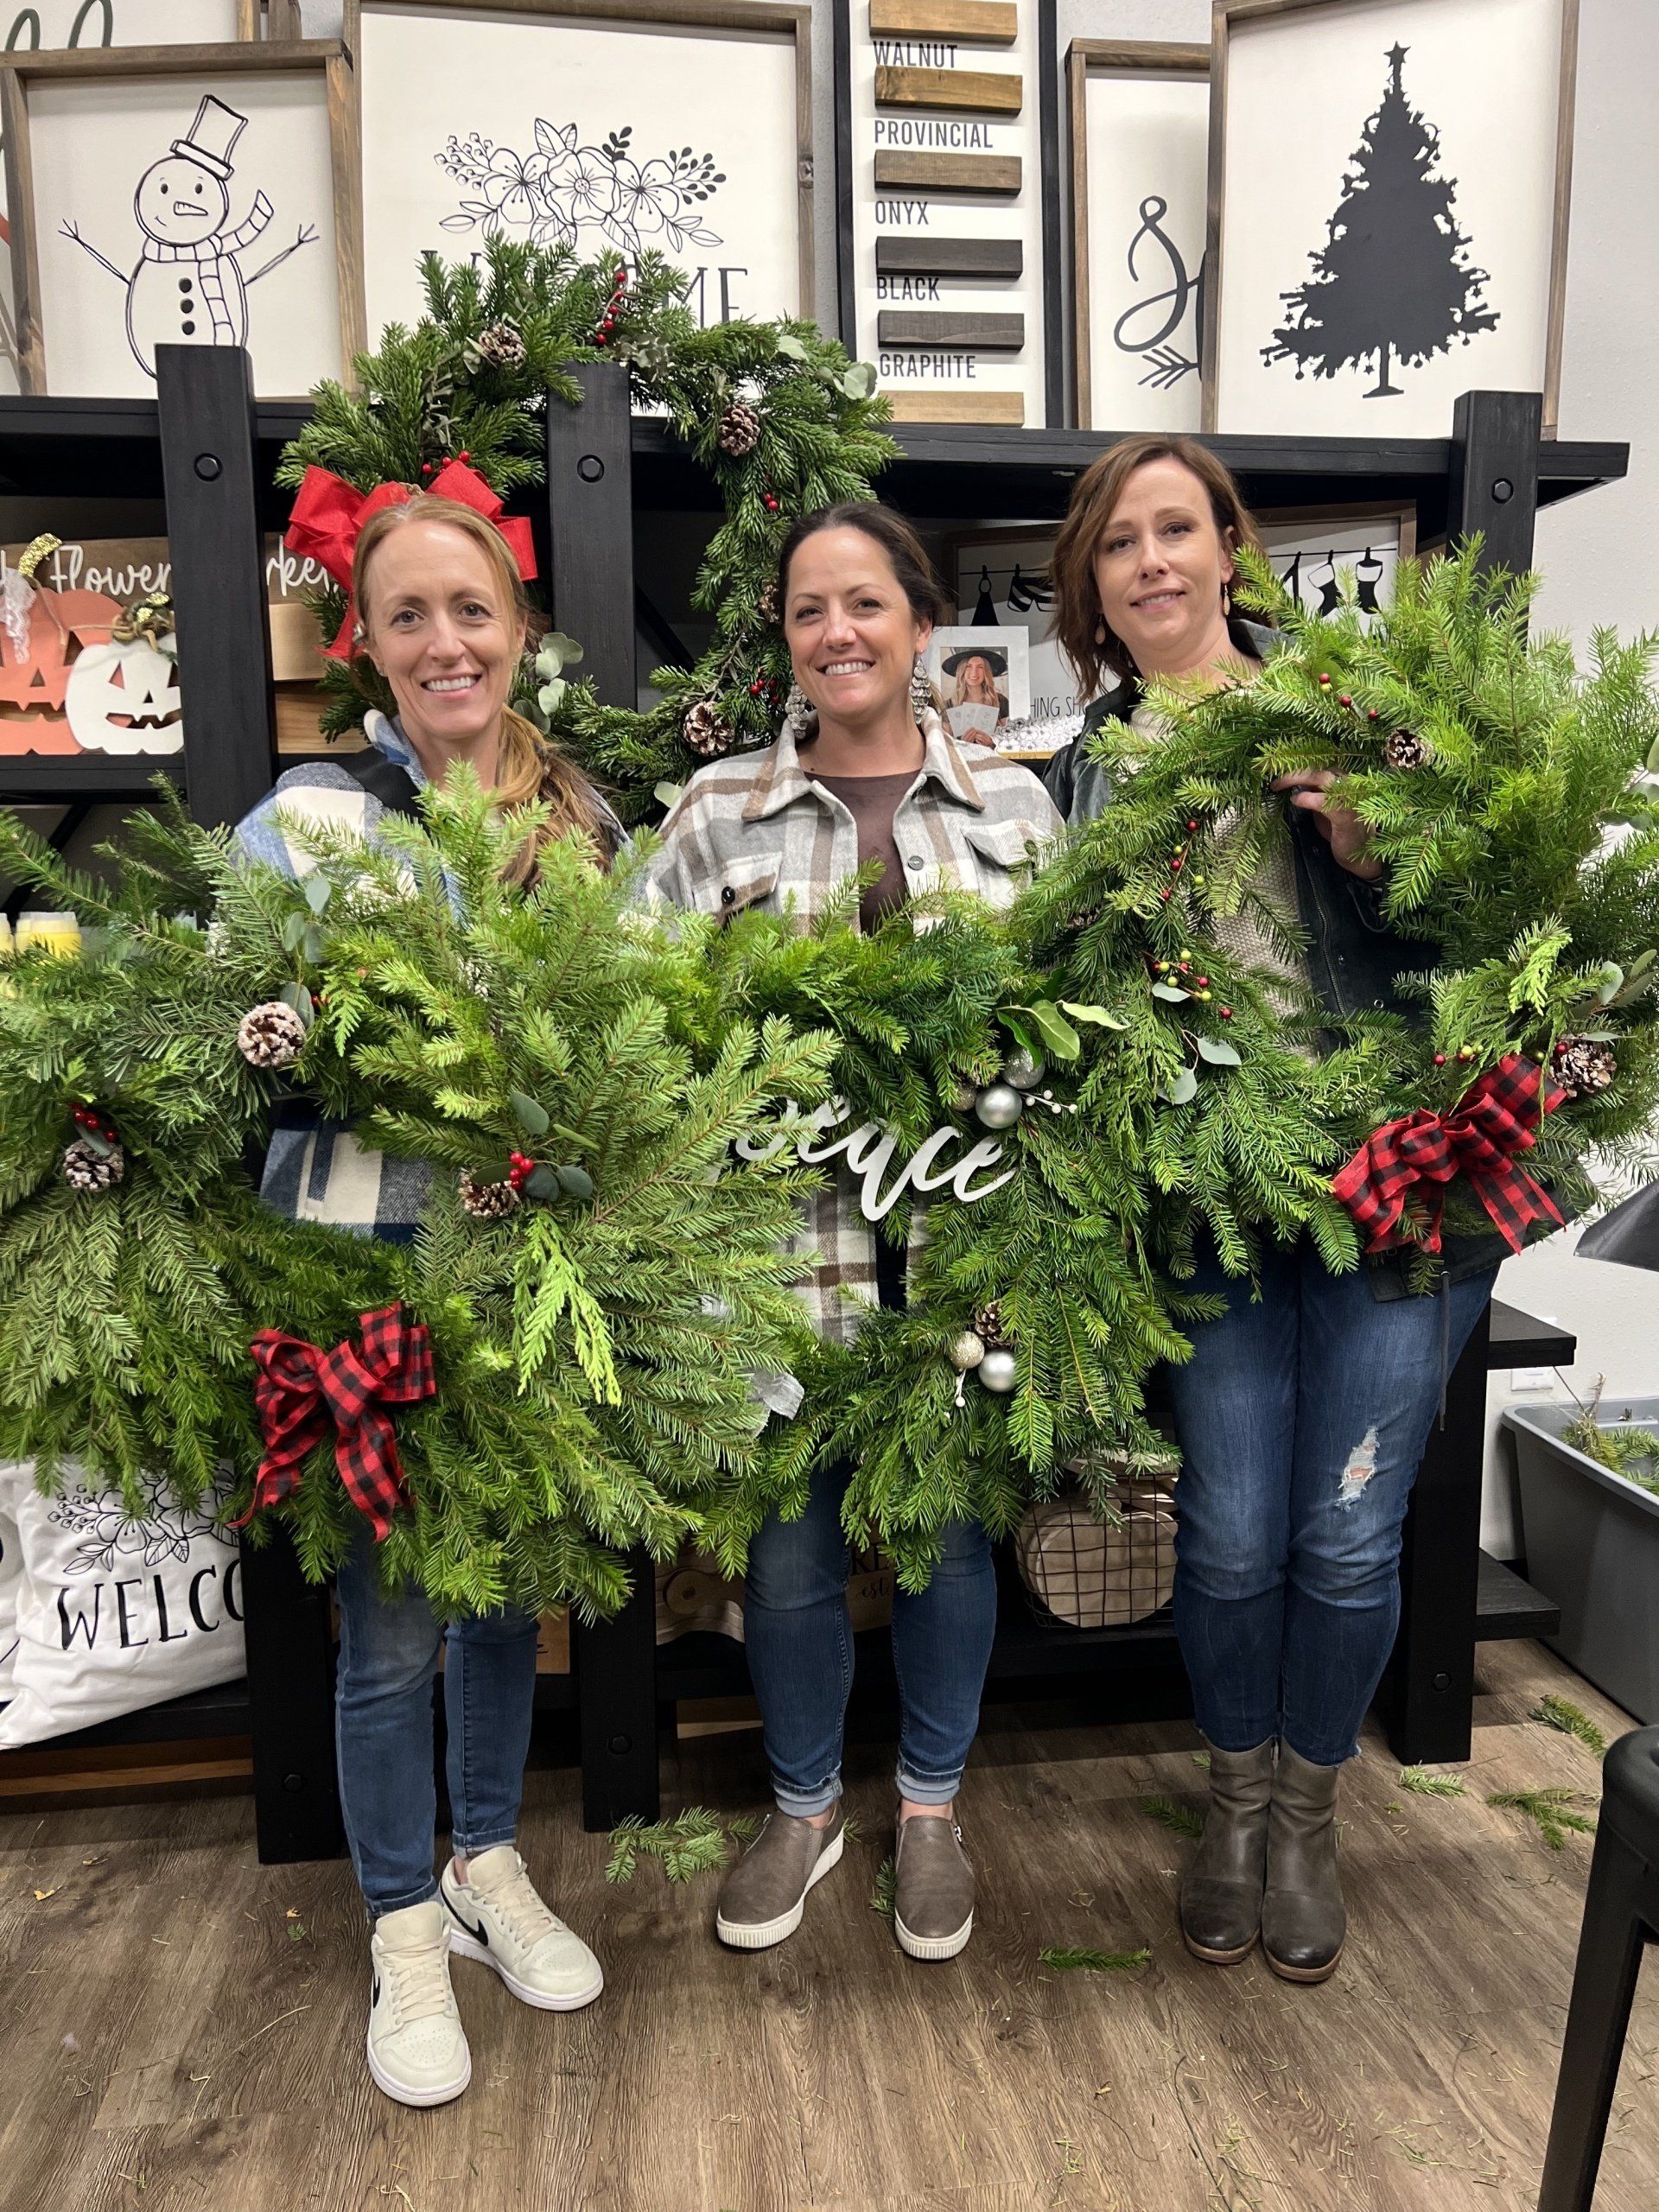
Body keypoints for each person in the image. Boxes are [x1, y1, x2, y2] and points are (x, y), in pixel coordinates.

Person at [1044, 435, 1505, 1984]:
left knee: (1349, 1540)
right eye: (1121, 543)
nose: (1155, 561)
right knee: (1234, 1540)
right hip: (1209, 1208)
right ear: (1093, 587)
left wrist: (1385, 852)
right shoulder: (1081, 771)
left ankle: (1310, 1820)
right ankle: (1233, 1807)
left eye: (1180, 528)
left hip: (1393, 1187)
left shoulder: (1352, 721)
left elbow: (1495, 919)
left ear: (1231, 548)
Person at [236, 488, 618, 2107]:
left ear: (517, 631)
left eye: (473, 610)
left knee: (496, 1600)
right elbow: (234, 1049)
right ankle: (400, 1921)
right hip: (361, 1281)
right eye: (411, 617)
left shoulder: (585, 829)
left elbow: (618, 1066)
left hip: (517, 1279)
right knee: (388, 1629)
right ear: (366, 648)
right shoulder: (305, 828)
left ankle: (482, 1858)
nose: (446, 641)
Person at [640, 502, 1062, 1961]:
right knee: (791, 1555)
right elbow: (643, 1034)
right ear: (786, 637)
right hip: (781, 1256)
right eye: (811, 609)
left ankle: (932, 1811)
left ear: (921, 622)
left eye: (867, 604)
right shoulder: (713, 815)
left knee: (951, 1539)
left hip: (966, 1259)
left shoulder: (1013, 808)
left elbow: (1067, 1034)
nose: (840, 633)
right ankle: (806, 1803)